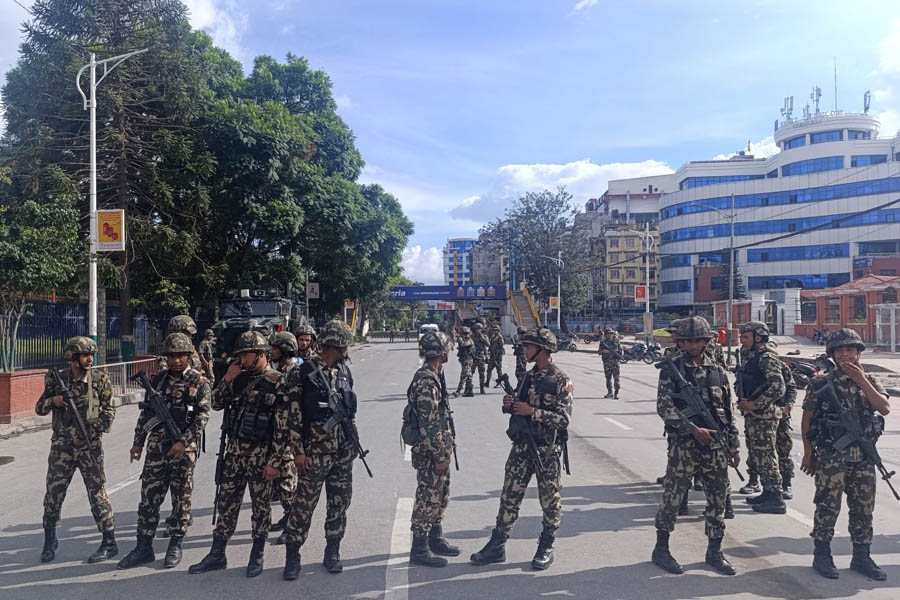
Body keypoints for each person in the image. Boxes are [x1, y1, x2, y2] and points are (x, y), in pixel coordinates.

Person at [188, 330, 289, 577]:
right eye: (240, 355)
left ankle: (257, 554)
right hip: (234, 454)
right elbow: (216, 403)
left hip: (261, 456)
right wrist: (227, 380)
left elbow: (283, 429)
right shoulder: (238, 378)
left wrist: (274, 463)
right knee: (227, 504)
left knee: (261, 507)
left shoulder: (278, 382)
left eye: (247, 355)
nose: (242, 360)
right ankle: (217, 554)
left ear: (262, 354)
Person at [470, 327, 572, 571]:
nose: (524, 349)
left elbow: (564, 419)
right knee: (509, 496)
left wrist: (532, 412)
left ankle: (546, 544)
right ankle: (497, 545)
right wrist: (510, 405)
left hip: (546, 450)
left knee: (550, 500)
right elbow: (520, 403)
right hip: (522, 447)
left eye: (528, 346)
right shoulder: (528, 376)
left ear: (543, 350)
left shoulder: (560, 379)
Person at [651, 316, 739, 576]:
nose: (692, 345)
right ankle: (662, 549)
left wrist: (733, 446)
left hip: (715, 446)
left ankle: (714, 551)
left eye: (698, 339)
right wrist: (692, 429)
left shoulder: (717, 370)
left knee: (717, 499)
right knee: (673, 497)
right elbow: (664, 407)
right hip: (684, 445)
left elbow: (727, 410)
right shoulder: (672, 369)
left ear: (706, 341)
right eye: (688, 340)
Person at [801, 328, 891, 581]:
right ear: (832, 354)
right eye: (839, 350)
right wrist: (808, 454)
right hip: (832, 456)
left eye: (850, 349)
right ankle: (822, 555)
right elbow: (807, 420)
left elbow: (884, 408)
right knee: (827, 506)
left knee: (863, 508)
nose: (845, 354)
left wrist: (862, 380)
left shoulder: (870, 380)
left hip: (863, 456)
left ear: (858, 352)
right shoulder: (820, 382)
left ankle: (861, 556)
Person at [117, 333, 211, 569]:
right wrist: (138, 442)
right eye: (171, 355)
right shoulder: (157, 380)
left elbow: (202, 417)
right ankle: (143, 546)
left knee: (181, 499)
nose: (176, 360)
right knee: (149, 499)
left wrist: (184, 441)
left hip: (182, 451)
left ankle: (175, 544)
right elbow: (146, 414)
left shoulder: (200, 383)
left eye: (180, 355)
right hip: (156, 450)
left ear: (188, 356)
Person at [282, 320, 361, 580]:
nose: (347, 350)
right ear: (334, 345)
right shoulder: (302, 372)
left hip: (341, 453)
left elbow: (349, 413)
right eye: (344, 346)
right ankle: (293, 556)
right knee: (303, 506)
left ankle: (332, 552)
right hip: (313, 453)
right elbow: (292, 416)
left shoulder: (344, 372)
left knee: (339, 503)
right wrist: (298, 452)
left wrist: (352, 442)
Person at [36, 336, 118, 564]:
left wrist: (94, 429)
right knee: (53, 495)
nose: (90, 359)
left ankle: (109, 542)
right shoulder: (57, 379)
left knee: (98, 494)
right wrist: (54, 400)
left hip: (89, 448)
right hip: (62, 449)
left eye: (91, 354)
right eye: (85, 355)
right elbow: (39, 408)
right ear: (73, 357)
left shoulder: (100, 380)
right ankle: (49, 539)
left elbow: (109, 412)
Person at [406, 331, 459, 567]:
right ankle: (419, 548)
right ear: (440, 351)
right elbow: (429, 423)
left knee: (441, 494)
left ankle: (435, 538)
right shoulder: (427, 380)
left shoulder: (436, 375)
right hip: (430, 450)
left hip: (438, 446)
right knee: (427, 497)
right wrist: (439, 455)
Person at [158, 314, 204, 538]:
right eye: (185, 333)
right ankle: (179, 514)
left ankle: (181, 516)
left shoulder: (193, 356)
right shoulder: (168, 356)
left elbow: (206, 381)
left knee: (183, 479)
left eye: (189, 335)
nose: (188, 338)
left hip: (187, 421)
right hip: (167, 422)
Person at [735, 321, 786, 514]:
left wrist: (756, 404)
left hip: (764, 415)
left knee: (766, 456)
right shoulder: (753, 357)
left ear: (758, 337)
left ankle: (776, 497)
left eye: (746, 337)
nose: (742, 340)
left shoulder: (766, 358)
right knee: (757, 455)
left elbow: (778, 387)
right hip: (754, 415)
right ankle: (767, 492)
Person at [268, 331, 301, 543]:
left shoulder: (293, 373)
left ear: (285, 350)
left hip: (288, 438)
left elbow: (291, 405)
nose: (271, 352)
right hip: (276, 435)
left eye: (274, 348)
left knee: (288, 485)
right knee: (279, 485)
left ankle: (292, 526)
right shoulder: (278, 370)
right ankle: (287, 518)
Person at [598, 328, 621, 399]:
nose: (611, 335)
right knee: (608, 378)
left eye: (612, 333)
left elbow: (620, 350)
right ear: (606, 335)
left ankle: (616, 393)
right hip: (607, 363)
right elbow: (599, 352)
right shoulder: (603, 342)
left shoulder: (616, 342)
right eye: (609, 333)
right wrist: (604, 351)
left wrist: (619, 356)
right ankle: (610, 392)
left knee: (616, 378)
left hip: (615, 363)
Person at [454, 326, 475, 397]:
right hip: (464, 360)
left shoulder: (469, 340)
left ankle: (458, 391)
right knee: (468, 376)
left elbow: (463, 344)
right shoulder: (465, 339)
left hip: (468, 360)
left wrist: (459, 339)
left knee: (463, 375)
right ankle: (470, 391)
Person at [472, 322, 489, 394]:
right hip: (473, 356)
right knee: (470, 373)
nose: (478, 330)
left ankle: (482, 388)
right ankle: (468, 387)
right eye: (477, 329)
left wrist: (482, 337)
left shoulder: (484, 336)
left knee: (481, 373)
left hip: (481, 357)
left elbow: (488, 344)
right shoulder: (471, 336)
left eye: (479, 329)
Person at [486, 323, 506, 388]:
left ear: (498, 330)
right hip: (492, 356)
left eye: (496, 330)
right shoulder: (493, 337)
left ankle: (499, 383)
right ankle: (487, 382)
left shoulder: (500, 338)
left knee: (498, 370)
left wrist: (496, 357)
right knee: (489, 370)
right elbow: (491, 346)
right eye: (494, 330)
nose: (494, 331)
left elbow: (501, 348)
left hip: (497, 357)